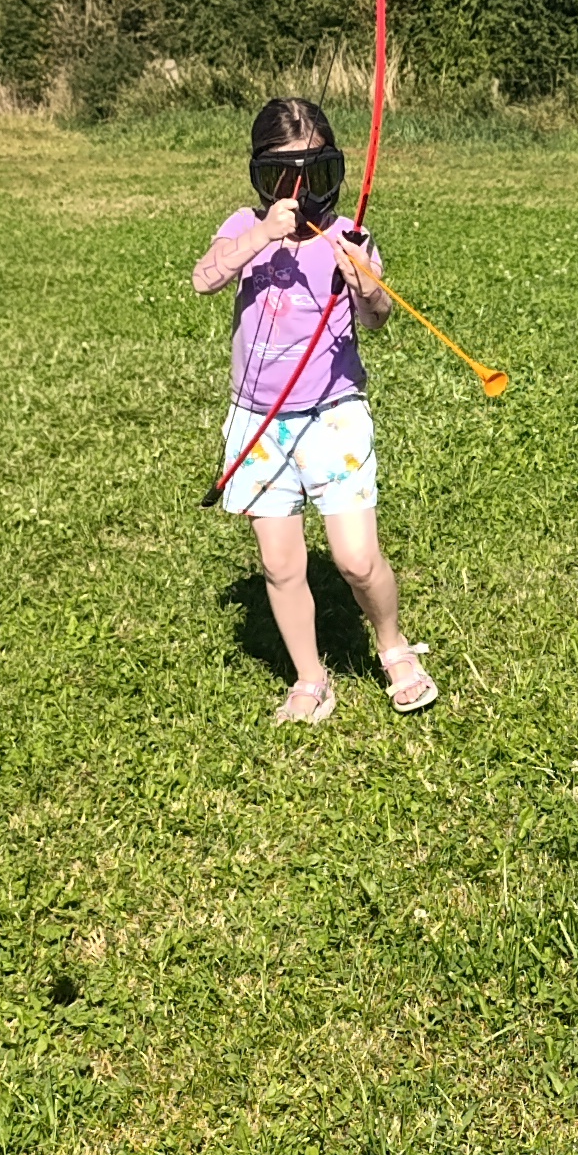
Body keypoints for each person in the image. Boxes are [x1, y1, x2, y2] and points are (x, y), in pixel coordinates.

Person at [191, 96, 438, 723]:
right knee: (280, 565)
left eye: (317, 176)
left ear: (338, 173)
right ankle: (310, 679)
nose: (301, 195)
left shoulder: (348, 236)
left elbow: (377, 319)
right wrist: (261, 233)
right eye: (284, 179)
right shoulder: (242, 228)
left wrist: (367, 287)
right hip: (259, 420)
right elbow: (205, 277)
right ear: (261, 179)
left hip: (333, 413)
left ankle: (392, 646)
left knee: (356, 558)